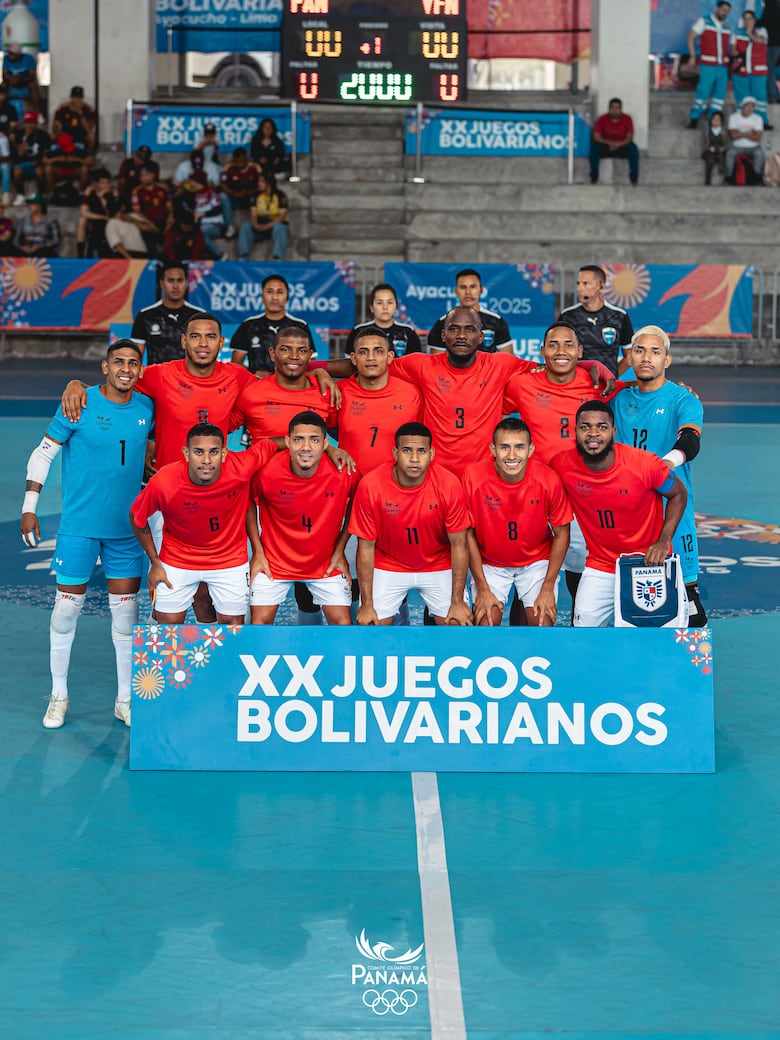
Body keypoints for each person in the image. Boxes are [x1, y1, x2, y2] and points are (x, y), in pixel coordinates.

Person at [20, 340, 153, 729]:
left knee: (126, 616)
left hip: (127, 532)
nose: (126, 369)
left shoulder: (147, 408)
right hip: (79, 528)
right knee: (66, 610)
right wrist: (29, 507)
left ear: (140, 370)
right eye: (118, 362)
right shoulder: (78, 403)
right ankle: (58, 695)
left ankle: (125, 700)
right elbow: (43, 453)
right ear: (104, 366)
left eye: (133, 363)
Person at [503, 321, 618, 609]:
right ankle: (526, 640)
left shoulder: (596, 384)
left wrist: (677, 387)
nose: (561, 351)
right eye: (553, 345)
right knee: (529, 574)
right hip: (535, 495)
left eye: (569, 345)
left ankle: (580, 629)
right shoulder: (522, 384)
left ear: (580, 351)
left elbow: (638, 390)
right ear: (542, 351)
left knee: (579, 570)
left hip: (582, 494)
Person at [550, 401, 688, 627]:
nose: (593, 433)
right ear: (574, 431)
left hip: (648, 561)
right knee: (582, 634)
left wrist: (664, 541)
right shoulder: (561, 465)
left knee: (660, 640)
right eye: (585, 427)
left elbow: (679, 493)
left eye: (602, 427)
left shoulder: (644, 464)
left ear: (613, 432)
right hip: (600, 564)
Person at [130, 423, 277, 626]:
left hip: (229, 558)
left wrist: (328, 447)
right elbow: (136, 517)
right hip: (177, 558)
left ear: (224, 453)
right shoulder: (165, 481)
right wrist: (155, 563)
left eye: (214, 452)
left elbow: (273, 444)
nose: (206, 460)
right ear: (186, 453)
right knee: (167, 627)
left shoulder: (241, 466)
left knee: (233, 626)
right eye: (198, 452)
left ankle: (213, 657)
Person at [611, 324, 706, 627]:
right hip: (627, 512)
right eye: (639, 351)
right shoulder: (618, 398)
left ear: (667, 360)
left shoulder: (682, 400)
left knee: (689, 606)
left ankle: (690, 671)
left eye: (655, 352)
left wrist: (665, 463)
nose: (646, 358)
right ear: (631, 356)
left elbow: (690, 440)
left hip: (672, 510)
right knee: (626, 603)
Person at [350, 422, 473, 626]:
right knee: (369, 626)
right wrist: (367, 604)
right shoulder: (371, 485)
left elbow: (460, 545)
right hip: (388, 563)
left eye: (421, 451)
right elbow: (365, 547)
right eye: (407, 450)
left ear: (431, 454)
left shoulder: (449, 484)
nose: (414, 458)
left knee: (458, 625)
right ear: (395, 453)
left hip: (437, 563)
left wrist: (457, 602)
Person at [248, 411, 357, 625]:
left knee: (343, 625)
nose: (306, 447)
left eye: (314, 440)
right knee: (258, 625)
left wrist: (339, 549)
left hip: (325, 563)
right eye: (298, 439)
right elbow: (246, 502)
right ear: (288, 441)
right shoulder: (266, 472)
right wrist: (258, 551)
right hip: (274, 563)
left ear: (325, 443)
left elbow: (358, 503)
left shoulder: (344, 472)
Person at [463, 418, 572, 627]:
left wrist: (547, 588)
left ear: (530, 449)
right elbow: (467, 535)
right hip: (490, 562)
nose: (512, 456)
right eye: (504, 447)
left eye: (519, 447)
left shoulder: (548, 479)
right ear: (492, 449)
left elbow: (562, 534)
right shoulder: (473, 477)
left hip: (535, 562)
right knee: (485, 622)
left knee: (543, 621)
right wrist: (483, 589)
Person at [335, 325, 423, 475]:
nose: (371, 358)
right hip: (348, 486)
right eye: (363, 352)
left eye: (378, 351)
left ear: (390, 357)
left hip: (395, 487)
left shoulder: (411, 394)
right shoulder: (339, 392)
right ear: (354, 358)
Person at [229, 273, 314, 374]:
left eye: (280, 292)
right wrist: (254, 373)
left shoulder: (300, 326)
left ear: (287, 296)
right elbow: (236, 364)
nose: (274, 297)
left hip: (291, 385)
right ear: (262, 296)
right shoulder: (248, 325)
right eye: (269, 292)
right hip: (257, 385)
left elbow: (311, 362)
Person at [558, 264, 634, 376]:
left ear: (601, 286)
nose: (579, 288)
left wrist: (611, 376)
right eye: (578, 283)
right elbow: (558, 351)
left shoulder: (619, 316)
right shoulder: (567, 316)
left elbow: (630, 354)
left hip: (607, 388)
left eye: (585, 283)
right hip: (576, 385)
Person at [131, 260, 205, 366]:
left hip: (190, 380)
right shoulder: (145, 316)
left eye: (180, 280)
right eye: (170, 280)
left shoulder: (199, 316)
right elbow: (135, 358)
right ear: (162, 283)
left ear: (186, 283)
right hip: (156, 380)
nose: (175, 286)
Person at [426, 267, 512, 352]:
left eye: (473, 287)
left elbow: (508, 361)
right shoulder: (442, 323)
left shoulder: (497, 321)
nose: (468, 292)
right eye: (463, 287)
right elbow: (436, 361)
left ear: (481, 290)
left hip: (488, 366)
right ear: (456, 291)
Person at [687, 2, 734, 128]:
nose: (725, 13)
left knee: (719, 95)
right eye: (723, 10)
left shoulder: (727, 26)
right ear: (717, 8)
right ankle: (694, 119)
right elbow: (691, 37)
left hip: (722, 66)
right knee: (703, 91)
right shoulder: (704, 21)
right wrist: (692, 56)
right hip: (708, 64)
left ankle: (713, 121)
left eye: (727, 11)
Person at [345, 282, 422, 356]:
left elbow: (415, 362)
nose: (385, 307)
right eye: (379, 303)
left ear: (396, 306)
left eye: (390, 302)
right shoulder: (359, 331)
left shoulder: (408, 332)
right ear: (371, 307)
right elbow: (349, 361)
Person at [237, 172, 289, 261]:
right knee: (246, 226)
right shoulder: (256, 196)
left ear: (269, 183)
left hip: (274, 227)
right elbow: (253, 214)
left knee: (279, 228)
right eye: (258, 181)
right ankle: (243, 257)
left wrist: (266, 226)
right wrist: (255, 225)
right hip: (260, 227)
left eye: (262, 181)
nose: (259, 183)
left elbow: (280, 217)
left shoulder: (280, 196)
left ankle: (278, 258)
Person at [732, 11, 772, 128]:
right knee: (741, 97)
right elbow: (733, 48)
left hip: (758, 71)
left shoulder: (762, 31)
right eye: (745, 19)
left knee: (760, 97)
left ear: (754, 20)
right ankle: (741, 122)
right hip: (741, 71)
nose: (747, 22)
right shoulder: (737, 33)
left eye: (749, 19)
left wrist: (750, 33)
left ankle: (763, 122)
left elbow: (760, 40)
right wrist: (736, 53)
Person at [589, 97, 640, 185]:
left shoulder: (627, 119)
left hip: (622, 146)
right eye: (613, 108)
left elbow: (629, 138)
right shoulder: (602, 119)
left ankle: (634, 177)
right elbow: (596, 137)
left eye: (617, 108)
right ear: (609, 109)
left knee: (633, 148)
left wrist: (618, 144)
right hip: (606, 146)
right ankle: (594, 175)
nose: (615, 110)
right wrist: (610, 143)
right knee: (594, 147)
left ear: (621, 109)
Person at [129, 162, 173, 257]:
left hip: (164, 223)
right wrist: (149, 223)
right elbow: (136, 210)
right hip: (148, 225)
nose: (145, 178)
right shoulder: (136, 191)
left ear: (153, 174)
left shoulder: (163, 188)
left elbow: (169, 207)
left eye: (147, 174)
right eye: (142, 176)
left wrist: (170, 219)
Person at [76, 168, 120, 257]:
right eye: (102, 183)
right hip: (96, 219)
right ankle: (80, 253)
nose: (106, 185)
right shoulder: (89, 192)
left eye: (108, 182)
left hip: (109, 220)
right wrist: (101, 217)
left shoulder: (113, 193)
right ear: (95, 184)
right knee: (82, 221)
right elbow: (84, 212)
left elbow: (115, 214)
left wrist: (105, 200)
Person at [219, 146, 259, 237]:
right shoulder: (229, 169)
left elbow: (261, 185)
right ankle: (230, 227)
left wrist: (249, 192)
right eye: (237, 161)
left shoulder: (254, 170)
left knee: (257, 198)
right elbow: (223, 185)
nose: (239, 164)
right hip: (235, 199)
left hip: (250, 199)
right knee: (222, 196)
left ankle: (256, 225)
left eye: (241, 161)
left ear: (246, 159)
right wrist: (233, 193)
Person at [10, 111, 48, 203]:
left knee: (40, 171)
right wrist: (26, 137)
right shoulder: (19, 134)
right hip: (22, 163)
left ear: (36, 123)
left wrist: (38, 162)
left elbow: (45, 153)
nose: (29, 125)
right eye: (27, 122)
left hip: (37, 163)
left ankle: (41, 194)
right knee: (16, 172)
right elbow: (19, 153)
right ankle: (21, 195)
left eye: (32, 123)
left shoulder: (42, 135)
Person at [726, 95, 766, 182]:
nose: (750, 108)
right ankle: (729, 177)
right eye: (748, 106)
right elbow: (733, 136)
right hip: (737, 146)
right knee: (730, 153)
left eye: (753, 106)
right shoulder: (734, 117)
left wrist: (739, 133)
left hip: (753, 147)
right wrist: (750, 133)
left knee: (759, 154)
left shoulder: (758, 118)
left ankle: (757, 177)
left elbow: (757, 138)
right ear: (743, 106)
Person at [43, 130, 93, 197]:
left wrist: (78, 159)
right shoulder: (57, 151)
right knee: (48, 168)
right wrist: (57, 159)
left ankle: (81, 191)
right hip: (61, 171)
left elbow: (90, 160)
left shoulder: (78, 150)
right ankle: (52, 191)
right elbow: (44, 160)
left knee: (84, 169)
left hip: (74, 171)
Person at [52, 85, 96, 156]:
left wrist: (80, 113)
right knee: (53, 135)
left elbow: (89, 129)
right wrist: (60, 133)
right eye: (75, 97)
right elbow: (55, 125)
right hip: (66, 133)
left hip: (81, 134)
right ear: (71, 98)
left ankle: (89, 156)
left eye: (80, 97)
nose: (78, 100)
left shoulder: (88, 109)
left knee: (91, 136)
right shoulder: (63, 108)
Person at [14, 192, 60, 256]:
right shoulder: (23, 220)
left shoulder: (51, 220)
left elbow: (56, 240)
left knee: (44, 253)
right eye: (29, 204)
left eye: (33, 204)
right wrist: (22, 247)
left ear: (40, 206)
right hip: (27, 247)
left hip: (44, 249)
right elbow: (16, 240)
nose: (30, 206)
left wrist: (41, 246)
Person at [2, 42, 40, 118]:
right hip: (11, 82)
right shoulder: (6, 58)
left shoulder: (29, 58)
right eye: (9, 53)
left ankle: (37, 111)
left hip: (24, 82)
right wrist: (10, 79)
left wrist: (20, 80)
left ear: (18, 54)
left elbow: (31, 76)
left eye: (11, 54)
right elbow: (4, 74)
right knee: (2, 85)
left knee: (32, 85)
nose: (9, 56)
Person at [757, 0, 780, 107]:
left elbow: (765, 21)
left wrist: (753, 22)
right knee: (770, 70)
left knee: (769, 70)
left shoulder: (771, 5)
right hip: (776, 43)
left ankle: (773, 96)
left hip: (772, 43)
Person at [701, 111, 729, 184]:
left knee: (722, 157)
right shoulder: (707, 130)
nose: (716, 122)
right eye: (714, 119)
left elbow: (729, 142)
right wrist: (709, 148)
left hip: (721, 150)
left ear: (721, 121)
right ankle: (707, 180)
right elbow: (703, 142)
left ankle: (724, 178)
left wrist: (724, 148)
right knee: (710, 159)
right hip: (709, 150)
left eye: (718, 120)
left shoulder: (725, 130)